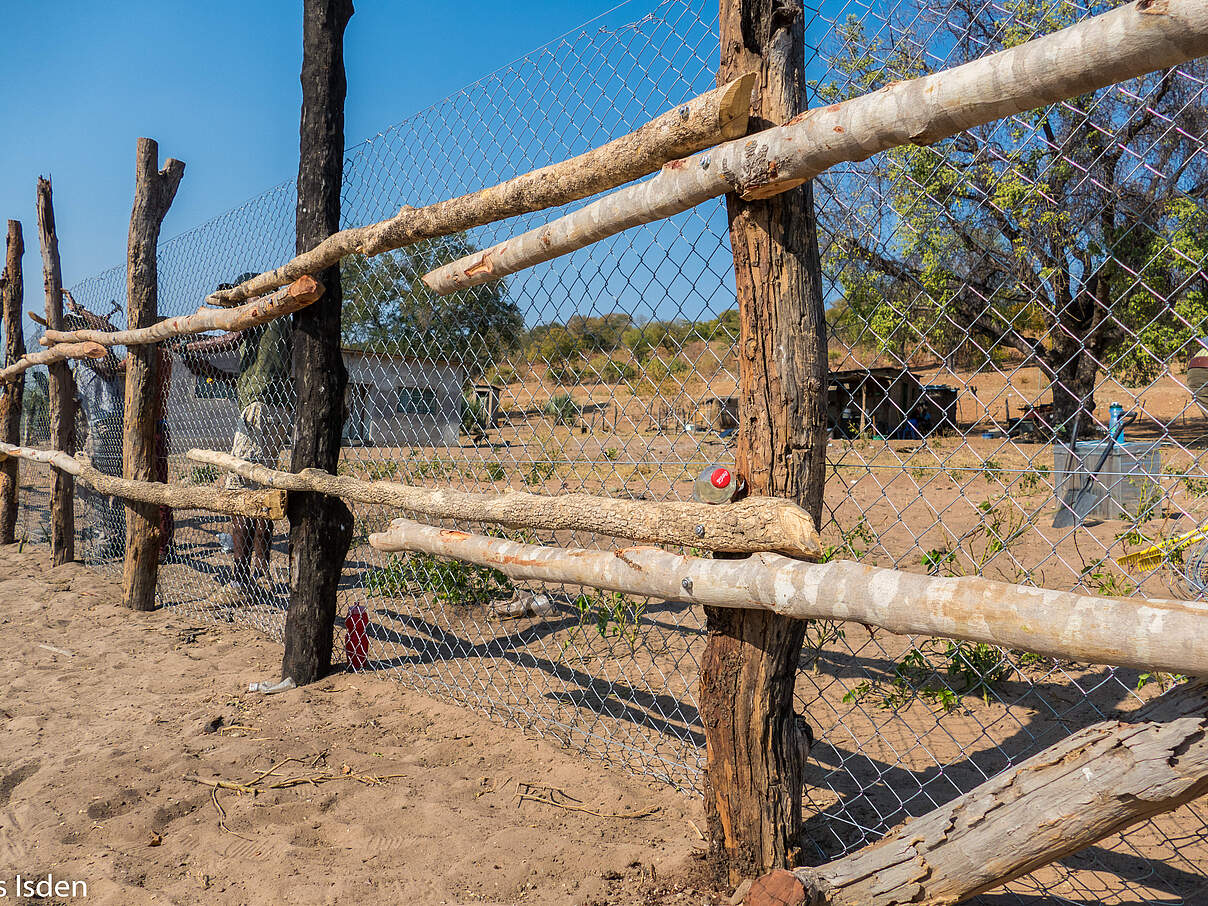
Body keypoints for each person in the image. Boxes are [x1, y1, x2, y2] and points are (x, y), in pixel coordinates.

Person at [176, 274, 294, 608]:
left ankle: (240, 581)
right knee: (262, 490)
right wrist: (207, 370)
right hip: (272, 408)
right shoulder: (272, 324)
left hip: (260, 410)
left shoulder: (260, 311)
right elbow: (241, 373)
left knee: (239, 491)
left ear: (248, 298)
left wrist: (188, 345)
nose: (235, 313)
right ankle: (260, 571)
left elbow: (228, 338)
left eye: (236, 305)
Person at [63, 290, 176, 560]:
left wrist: (89, 342)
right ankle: (140, 538)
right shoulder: (156, 353)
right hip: (141, 424)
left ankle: (148, 544)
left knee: (135, 484)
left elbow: (112, 362)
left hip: (140, 425)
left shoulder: (150, 355)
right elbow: (113, 335)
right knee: (135, 483)